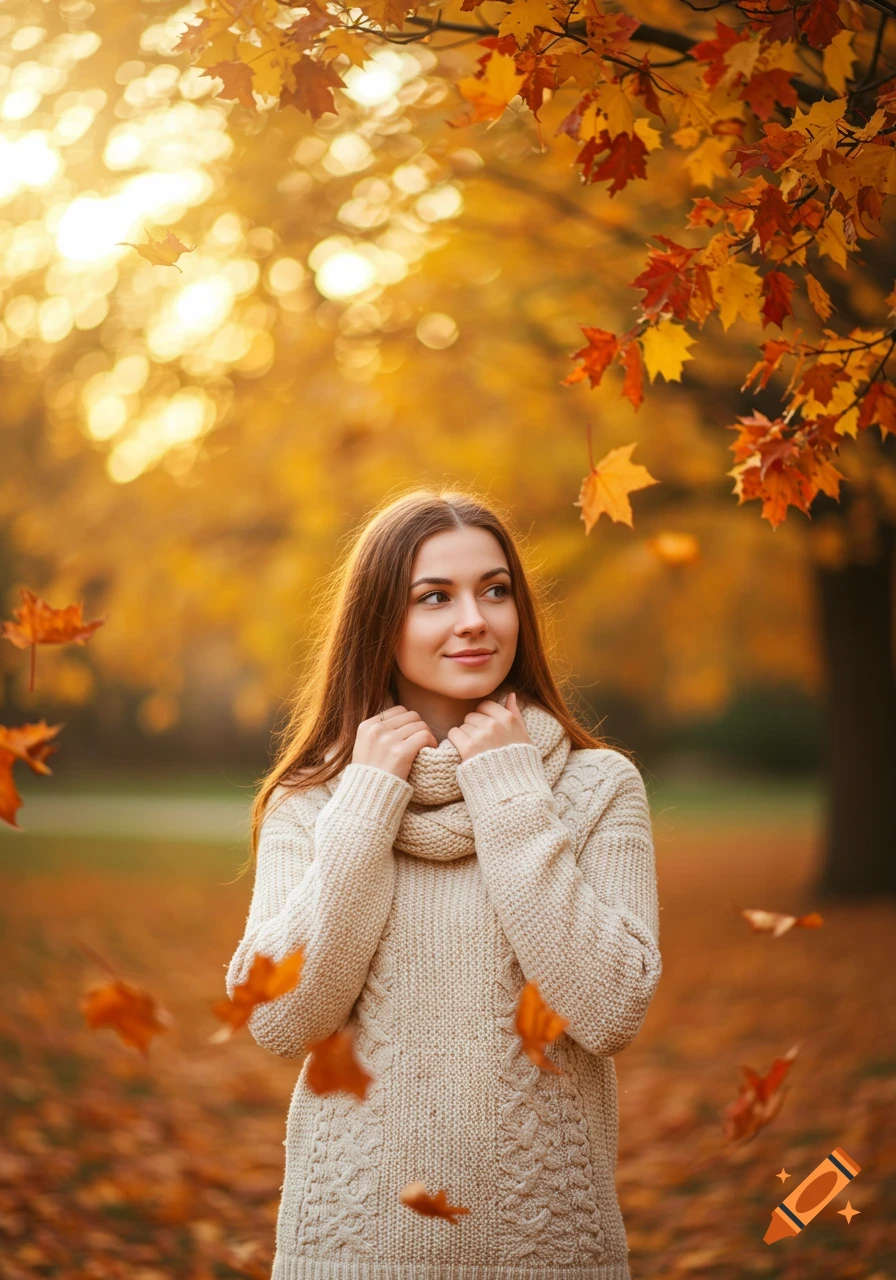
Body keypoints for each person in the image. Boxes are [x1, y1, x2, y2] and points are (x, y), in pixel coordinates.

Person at [225, 488, 663, 1280]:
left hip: (549, 1253)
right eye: (435, 597)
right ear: (378, 625)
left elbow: (611, 1009)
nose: (476, 620)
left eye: (495, 591)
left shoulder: (598, 786)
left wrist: (508, 790)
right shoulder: (315, 801)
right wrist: (364, 807)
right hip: (351, 1252)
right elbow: (279, 1019)